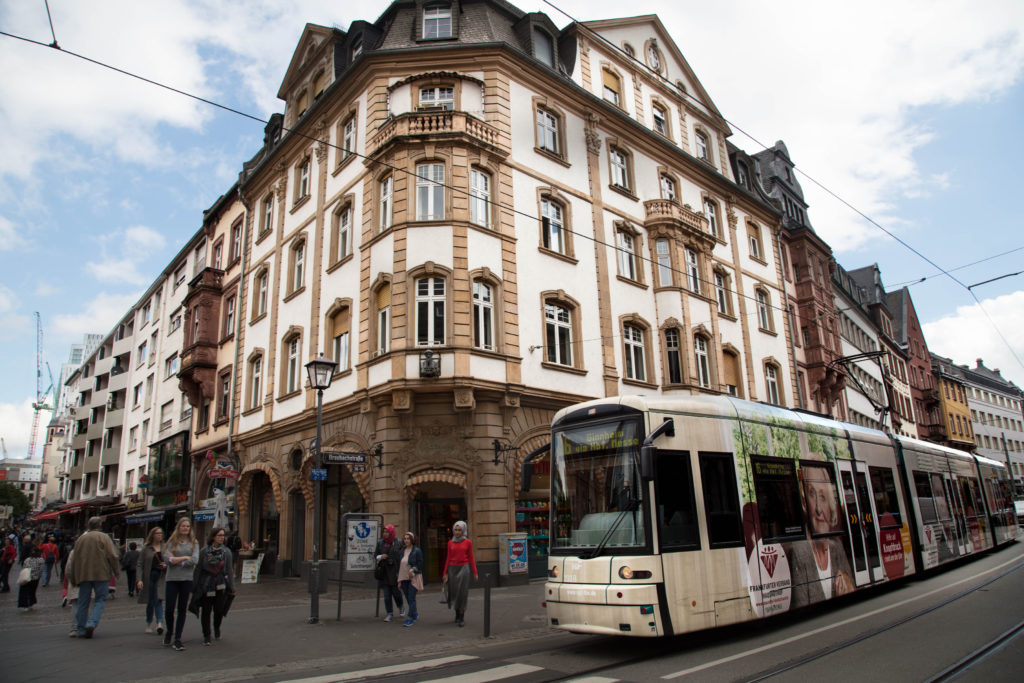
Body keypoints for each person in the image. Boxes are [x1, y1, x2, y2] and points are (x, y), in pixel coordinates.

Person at [788, 464, 855, 608]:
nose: (818, 508)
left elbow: (852, 585)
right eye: (812, 494)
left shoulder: (836, 545)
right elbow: (801, 604)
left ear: (830, 504)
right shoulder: (799, 550)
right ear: (805, 502)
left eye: (823, 497)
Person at [65, 516, 121, 638]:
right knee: (100, 600)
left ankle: (80, 629)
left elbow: (74, 559)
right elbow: (112, 555)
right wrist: (116, 571)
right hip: (101, 573)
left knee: (83, 602)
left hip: (84, 574)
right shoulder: (104, 537)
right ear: (100, 525)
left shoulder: (81, 539)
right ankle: (91, 622)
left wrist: (74, 576)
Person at [193, 527, 235, 645]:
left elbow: (229, 570)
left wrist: (232, 587)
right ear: (213, 537)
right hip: (207, 583)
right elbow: (198, 569)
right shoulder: (204, 551)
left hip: (220, 583)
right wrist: (195, 585)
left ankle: (217, 627)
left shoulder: (226, 552)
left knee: (219, 610)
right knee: (206, 610)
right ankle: (206, 635)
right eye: (219, 535)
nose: (222, 538)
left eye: (223, 535)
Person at [163, 517, 198, 651]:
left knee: (182, 609)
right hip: (172, 578)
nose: (185, 528)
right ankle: (169, 631)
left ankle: (178, 638)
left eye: (188, 526)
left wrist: (177, 561)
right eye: (183, 526)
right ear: (179, 527)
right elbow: (167, 559)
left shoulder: (194, 543)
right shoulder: (172, 542)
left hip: (186, 579)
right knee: (169, 608)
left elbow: (195, 560)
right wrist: (184, 557)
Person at [442, 520, 478, 627]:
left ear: (463, 531)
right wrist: (444, 573)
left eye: (459, 530)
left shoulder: (468, 542)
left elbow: (471, 558)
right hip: (452, 569)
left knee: (462, 593)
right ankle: (456, 614)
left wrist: (475, 572)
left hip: (464, 569)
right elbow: (448, 558)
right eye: (455, 530)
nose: (457, 532)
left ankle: (462, 616)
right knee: (453, 593)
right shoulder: (450, 543)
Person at [136, 527, 167, 635]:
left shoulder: (165, 547)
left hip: (161, 577)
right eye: (157, 533)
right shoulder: (146, 549)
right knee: (150, 601)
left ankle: (159, 623)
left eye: (161, 533)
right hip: (149, 577)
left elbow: (170, 560)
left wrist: (166, 565)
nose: (160, 535)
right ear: (152, 535)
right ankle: (149, 622)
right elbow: (140, 564)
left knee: (158, 599)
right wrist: (139, 580)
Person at [374, 525, 404, 622]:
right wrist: (380, 556)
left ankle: (400, 605)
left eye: (387, 532)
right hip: (384, 571)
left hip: (395, 571)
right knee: (387, 596)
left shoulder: (398, 542)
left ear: (391, 533)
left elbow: (402, 555)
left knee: (396, 593)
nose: (385, 534)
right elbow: (375, 555)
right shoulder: (380, 543)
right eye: (384, 532)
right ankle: (389, 613)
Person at [398, 531, 424, 627]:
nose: (406, 540)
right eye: (405, 539)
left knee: (411, 597)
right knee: (408, 598)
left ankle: (410, 618)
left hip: (413, 577)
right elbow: (400, 565)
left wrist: (413, 569)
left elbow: (420, 563)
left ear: (412, 540)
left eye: (408, 538)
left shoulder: (417, 550)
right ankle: (415, 613)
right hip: (404, 577)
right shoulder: (402, 551)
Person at [17, 546, 44, 611]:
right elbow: (41, 570)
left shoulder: (27, 559)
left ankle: (26, 605)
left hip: (27, 578)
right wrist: (39, 576)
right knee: (32, 592)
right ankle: (30, 604)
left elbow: (24, 567)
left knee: (25, 592)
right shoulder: (41, 560)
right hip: (35, 578)